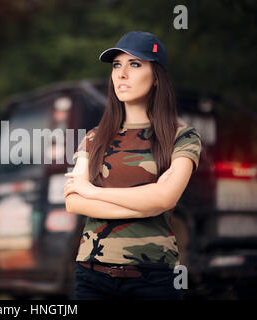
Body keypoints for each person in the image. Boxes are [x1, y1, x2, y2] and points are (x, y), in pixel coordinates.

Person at [63, 31, 202, 300]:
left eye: (135, 64)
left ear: (157, 78)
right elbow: (73, 201)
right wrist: (144, 201)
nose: (122, 74)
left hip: (153, 277)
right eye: (117, 65)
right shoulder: (94, 136)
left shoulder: (181, 136)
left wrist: (93, 192)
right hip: (91, 276)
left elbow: (164, 198)